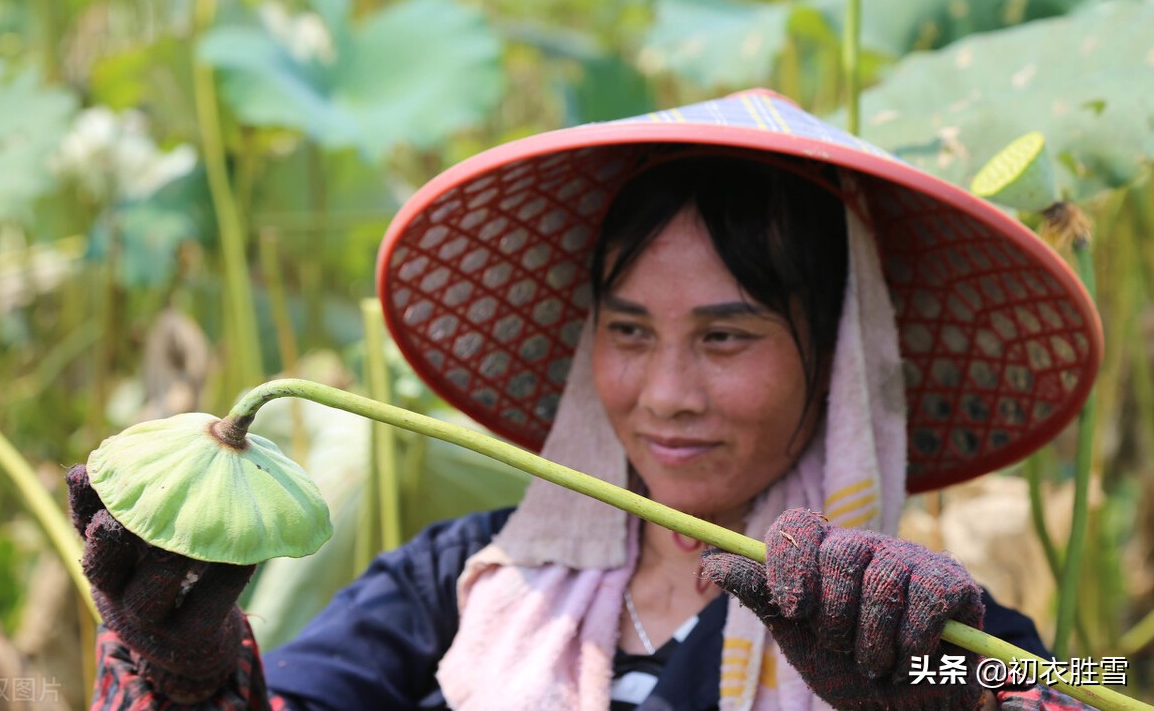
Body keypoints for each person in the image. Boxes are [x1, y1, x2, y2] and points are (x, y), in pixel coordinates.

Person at [67, 90, 1104, 711]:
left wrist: (939, 691)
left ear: (833, 358)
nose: (664, 394)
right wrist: (187, 670)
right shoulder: (462, 576)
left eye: (726, 335)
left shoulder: (911, 619)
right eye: (629, 330)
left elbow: (1087, 678)